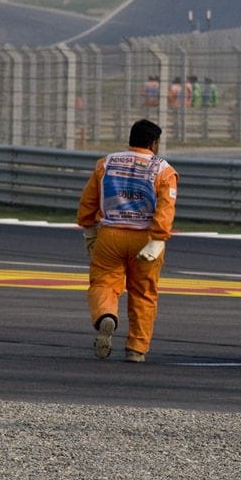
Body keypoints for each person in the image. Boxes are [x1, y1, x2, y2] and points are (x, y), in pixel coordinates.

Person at [77, 119, 178, 363]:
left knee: (103, 283)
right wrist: (159, 238)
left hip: (109, 236)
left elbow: (88, 201)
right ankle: (136, 349)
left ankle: (105, 316)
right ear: (154, 143)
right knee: (143, 293)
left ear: (131, 140)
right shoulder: (163, 170)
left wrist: (89, 228)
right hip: (145, 239)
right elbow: (166, 208)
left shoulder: (106, 163)